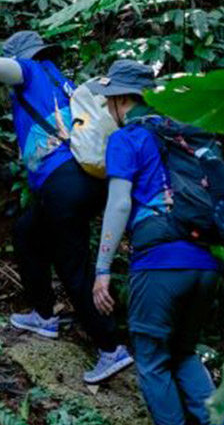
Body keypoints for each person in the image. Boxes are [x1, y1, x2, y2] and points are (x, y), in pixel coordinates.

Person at [0, 32, 132, 384]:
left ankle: (111, 347)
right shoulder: (61, 81)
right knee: (27, 231)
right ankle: (43, 315)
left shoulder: (32, 70)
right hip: (81, 179)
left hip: (63, 180)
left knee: (72, 264)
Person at [90, 59, 222, 425]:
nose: (106, 108)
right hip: (206, 263)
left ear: (120, 99)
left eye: (108, 100)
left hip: (160, 261)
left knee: (150, 359)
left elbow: (118, 204)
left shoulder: (126, 138)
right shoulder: (186, 132)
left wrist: (102, 269)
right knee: (182, 352)